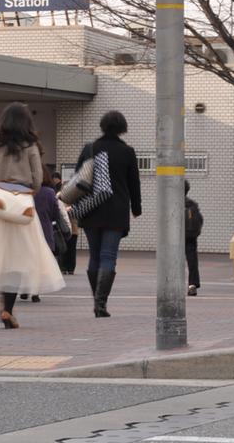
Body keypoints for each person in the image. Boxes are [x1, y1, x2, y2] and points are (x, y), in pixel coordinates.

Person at [0, 103, 64, 329]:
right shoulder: (30, 145)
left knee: (0, 255)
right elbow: (37, 178)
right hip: (23, 207)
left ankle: (3, 302)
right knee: (20, 258)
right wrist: (25, 191)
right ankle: (8, 309)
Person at [74, 110, 142, 318]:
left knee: (94, 256)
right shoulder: (127, 152)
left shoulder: (91, 148)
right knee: (108, 256)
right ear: (122, 128)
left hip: (91, 209)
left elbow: (78, 176)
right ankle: (101, 304)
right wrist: (136, 208)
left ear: (103, 126)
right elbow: (134, 183)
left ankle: (97, 298)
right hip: (116, 210)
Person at [20, 183, 69, 304]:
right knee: (39, 263)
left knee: (26, 261)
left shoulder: (24, 190)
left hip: (25, 230)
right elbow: (56, 214)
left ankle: (25, 289)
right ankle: (35, 292)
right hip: (45, 232)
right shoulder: (49, 192)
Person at [185, 180, 204, 296]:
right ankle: (192, 284)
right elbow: (200, 220)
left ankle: (171, 284)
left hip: (175, 237)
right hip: (190, 236)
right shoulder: (193, 204)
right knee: (192, 262)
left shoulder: (171, 203)